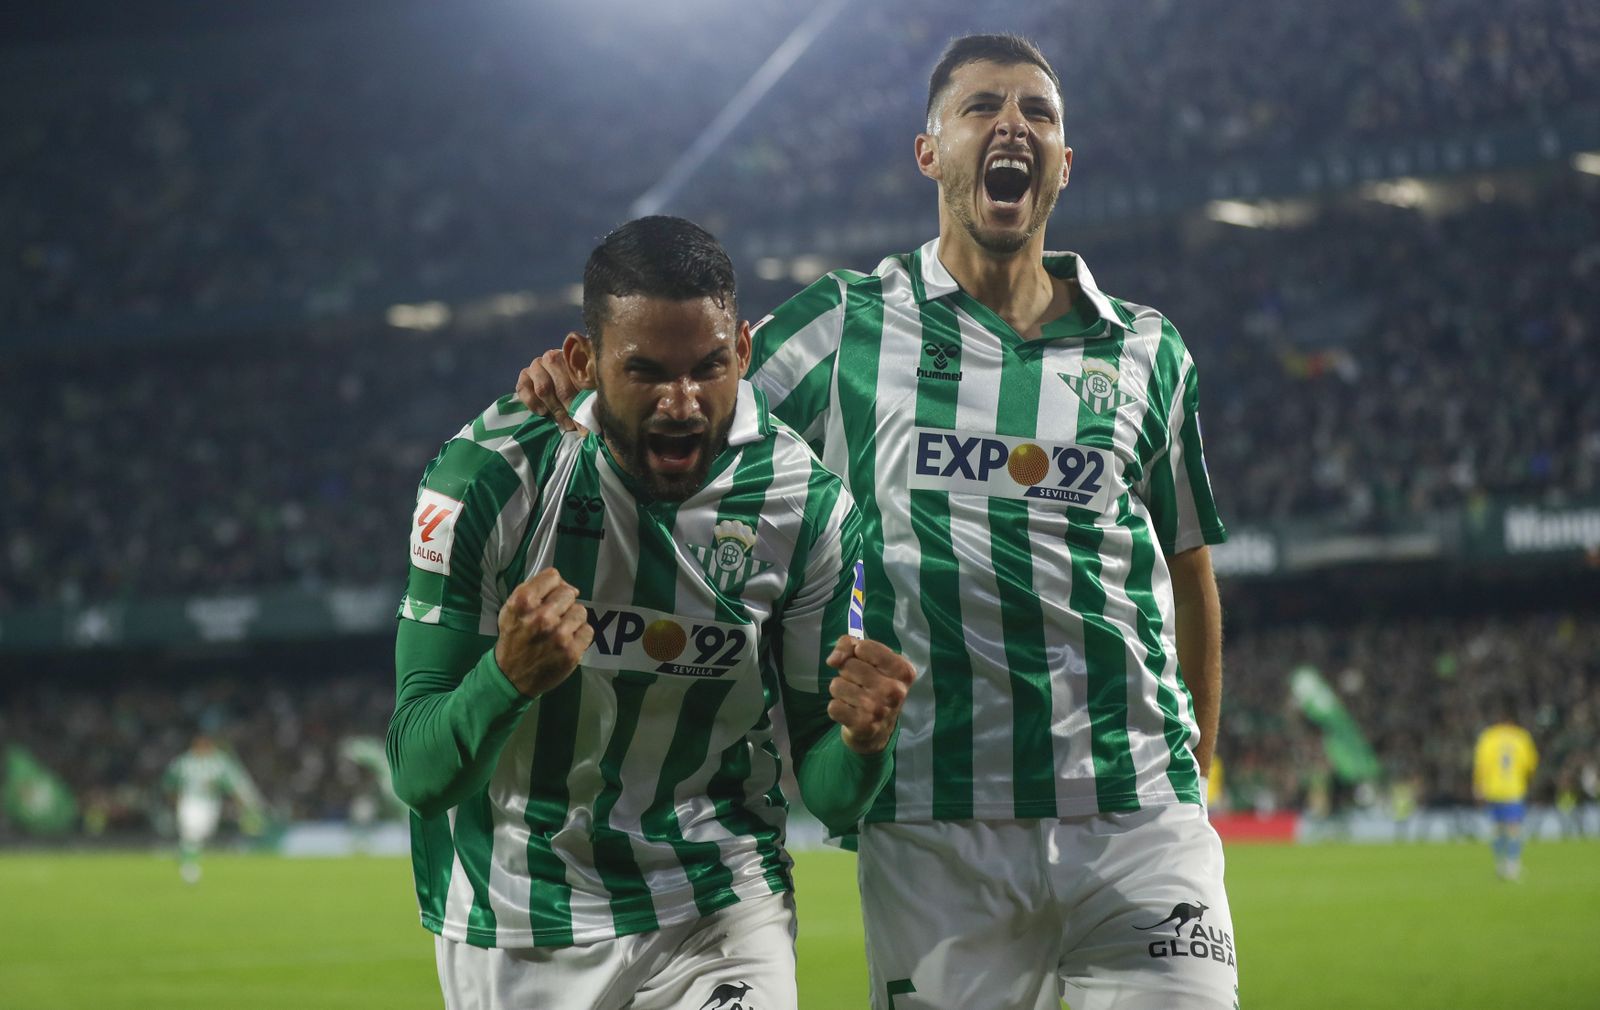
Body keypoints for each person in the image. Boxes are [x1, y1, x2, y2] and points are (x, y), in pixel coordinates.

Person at [520, 34, 1236, 1010]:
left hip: (1138, 814)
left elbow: (1189, 566)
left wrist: (1197, 763)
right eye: (983, 107)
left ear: (1064, 165)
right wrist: (582, 386)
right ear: (929, 151)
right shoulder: (843, 325)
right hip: (932, 834)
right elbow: (687, 415)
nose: (1012, 124)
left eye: (1039, 112)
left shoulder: (1148, 350)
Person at [389, 215, 915, 1010]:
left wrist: (864, 743)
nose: (682, 403)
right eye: (646, 372)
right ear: (582, 361)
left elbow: (831, 790)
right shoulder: (489, 481)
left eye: (708, 367)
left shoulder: (805, 506)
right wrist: (506, 679)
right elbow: (419, 772)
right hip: (520, 921)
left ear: (742, 351)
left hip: (719, 904)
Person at [162, 732, 265, 884]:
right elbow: (170, 782)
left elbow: (229, 785)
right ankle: (189, 868)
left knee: (204, 833)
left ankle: (185, 852)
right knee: (191, 833)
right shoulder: (184, 762)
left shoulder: (217, 762)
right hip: (190, 801)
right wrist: (175, 801)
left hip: (210, 803)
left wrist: (241, 804)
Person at [1472, 697, 1538, 880]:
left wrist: (1478, 786)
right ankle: (1512, 865)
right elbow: (1530, 765)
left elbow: (1480, 765)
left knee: (1497, 828)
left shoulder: (1488, 737)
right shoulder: (1521, 737)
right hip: (1513, 789)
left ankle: (1500, 864)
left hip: (1493, 789)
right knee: (1514, 828)